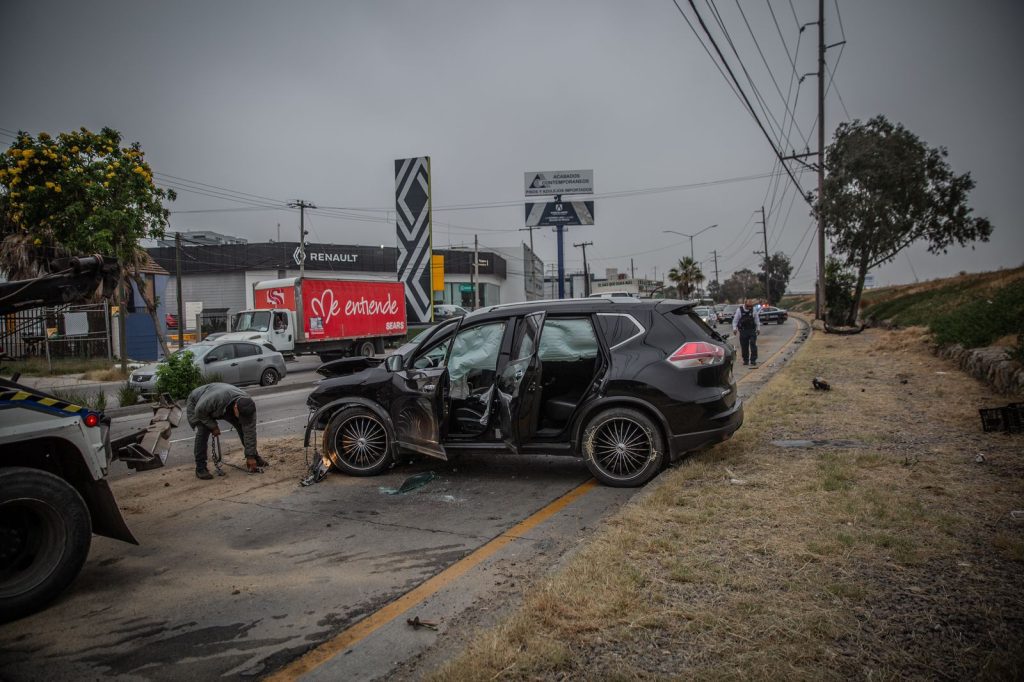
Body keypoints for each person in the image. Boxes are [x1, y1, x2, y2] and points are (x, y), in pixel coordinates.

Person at [186, 383, 268, 479]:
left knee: (243, 428)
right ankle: (200, 468)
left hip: (223, 405)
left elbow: (250, 432)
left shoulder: (248, 406)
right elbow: (199, 411)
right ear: (236, 408)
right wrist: (213, 426)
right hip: (199, 403)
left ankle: (254, 456)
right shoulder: (216, 399)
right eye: (241, 416)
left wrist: (250, 456)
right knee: (203, 431)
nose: (243, 419)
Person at [732, 298, 761, 366]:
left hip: (752, 330)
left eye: (751, 306)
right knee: (744, 346)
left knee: (753, 344)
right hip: (743, 331)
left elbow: (757, 320)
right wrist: (734, 329)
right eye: (748, 306)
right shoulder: (739, 310)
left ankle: (753, 360)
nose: (749, 308)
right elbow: (735, 320)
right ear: (745, 304)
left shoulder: (753, 310)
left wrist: (758, 329)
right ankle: (746, 360)